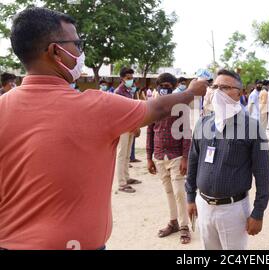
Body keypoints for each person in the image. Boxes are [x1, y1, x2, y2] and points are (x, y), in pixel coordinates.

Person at [0, 7, 207, 250]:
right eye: (77, 44)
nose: (80, 52)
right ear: (56, 51)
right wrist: (192, 91)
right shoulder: (95, 106)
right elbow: (158, 109)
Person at [185, 69, 269, 250]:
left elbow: (264, 174)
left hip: (233, 210)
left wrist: (258, 212)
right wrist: (190, 197)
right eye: (214, 86)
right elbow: (193, 161)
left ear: (239, 93)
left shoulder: (253, 127)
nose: (217, 92)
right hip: (203, 205)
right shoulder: (203, 123)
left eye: (224, 87)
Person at [147, 73, 192, 245]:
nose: (164, 88)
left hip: (176, 156)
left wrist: (185, 158)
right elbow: (150, 131)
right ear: (157, 86)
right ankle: (173, 222)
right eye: (161, 85)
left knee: (179, 192)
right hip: (159, 156)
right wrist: (149, 158)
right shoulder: (152, 105)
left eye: (168, 85)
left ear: (173, 87)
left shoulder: (182, 106)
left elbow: (187, 134)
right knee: (168, 192)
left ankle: (184, 227)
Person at [113, 68, 142, 193]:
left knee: (127, 154)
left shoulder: (129, 91)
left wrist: (136, 125)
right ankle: (121, 183)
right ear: (122, 79)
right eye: (128, 78)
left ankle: (126, 177)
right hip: (123, 127)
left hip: (131, 127)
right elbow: (119, 113)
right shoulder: (118, 92)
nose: (131, 80)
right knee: (121, 154)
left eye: (132, 78)